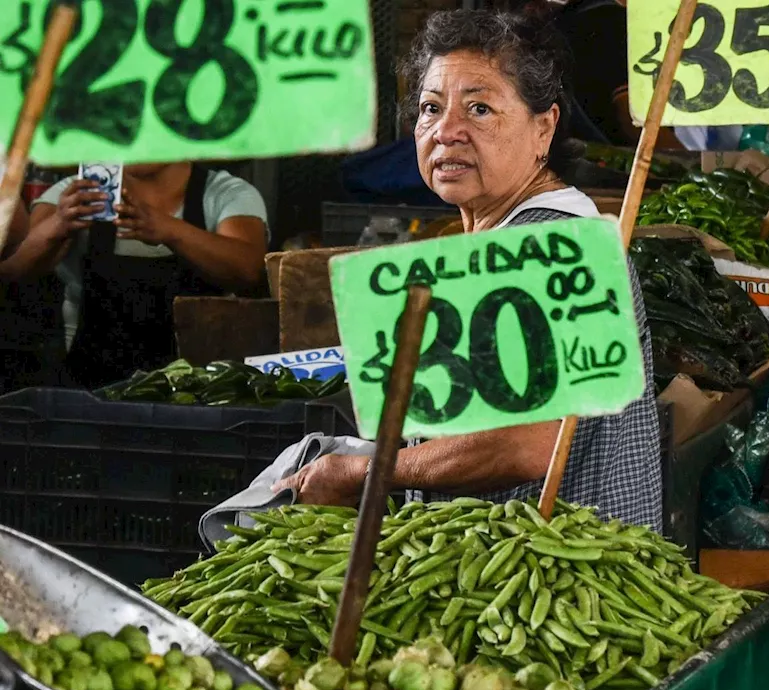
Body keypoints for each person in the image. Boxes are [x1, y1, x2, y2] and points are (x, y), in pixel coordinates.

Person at [274, 9, 663, 530]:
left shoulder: (546, 242)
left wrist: (365, 471)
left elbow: (527, 444)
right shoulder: (508, 237)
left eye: (479, 109)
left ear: (544, 127)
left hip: (555, 591)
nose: (447, 131)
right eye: (431, 108)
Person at [1, 163, 269, 389]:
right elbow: (13, 267)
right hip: (89, 390)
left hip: (198, 391)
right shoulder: (78, 193)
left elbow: (247, 269)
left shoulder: (225, 193)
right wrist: (58, 224)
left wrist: (170, 230)